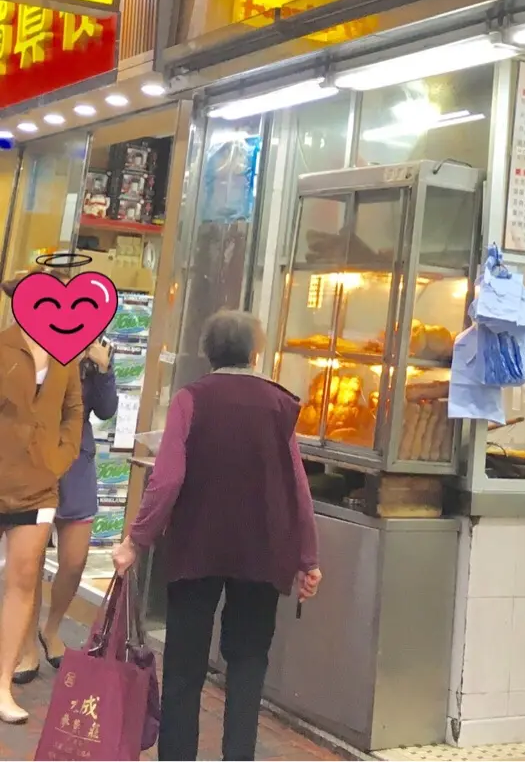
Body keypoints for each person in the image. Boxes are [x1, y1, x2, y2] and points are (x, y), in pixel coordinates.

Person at [112, 310, 321, 762]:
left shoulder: (191, 399)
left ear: (207, 352)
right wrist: (308, 557)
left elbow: (166, 480)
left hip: (196, 547)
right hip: (263, 551)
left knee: (184, 666)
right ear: (255, 352)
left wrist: (136, 540)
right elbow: (297, 486)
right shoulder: (279, 404)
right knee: (247, 664)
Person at [0, 278, 83, 724]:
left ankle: (2, 684)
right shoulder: (3, 347)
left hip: (39, 484)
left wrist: (63, 455)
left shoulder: (66, 355)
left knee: (23, 579)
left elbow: (74, 409)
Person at [16, 338, 118, 680]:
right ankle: (27, 646)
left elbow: (106, 410)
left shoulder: (99, 348)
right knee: (30, 561)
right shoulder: (31, 345)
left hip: (76, 464)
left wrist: (103, 368)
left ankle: (52, 627)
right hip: (33, 459)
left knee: (74, 561)